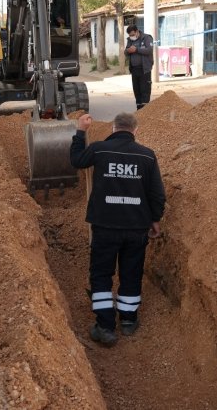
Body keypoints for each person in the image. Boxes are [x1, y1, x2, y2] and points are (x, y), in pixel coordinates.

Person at [70, 112, 166, 347]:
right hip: (136, 228)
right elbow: (157, 194)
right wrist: (155, 220)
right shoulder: (147, 156)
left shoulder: (100, 149)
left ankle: (105, 327)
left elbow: (77, 160)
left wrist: (81, 131)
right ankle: (128, 321)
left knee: (101, 274)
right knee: (131, 272)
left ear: (113, 128)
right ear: (135, 131)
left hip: (105, 226)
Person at [124, 25, 154, 110]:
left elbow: (149, 50)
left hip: (144, 69)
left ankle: (145, 110)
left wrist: (136, 50)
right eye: (130, 35)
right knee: (137, 91)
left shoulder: (147, 38)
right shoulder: (130, 40)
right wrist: (128, 51)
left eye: (133, 34)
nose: (131, 37)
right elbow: (125, 52)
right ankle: (139, 110)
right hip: (134, 70)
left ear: (137, 31)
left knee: (145, 90)